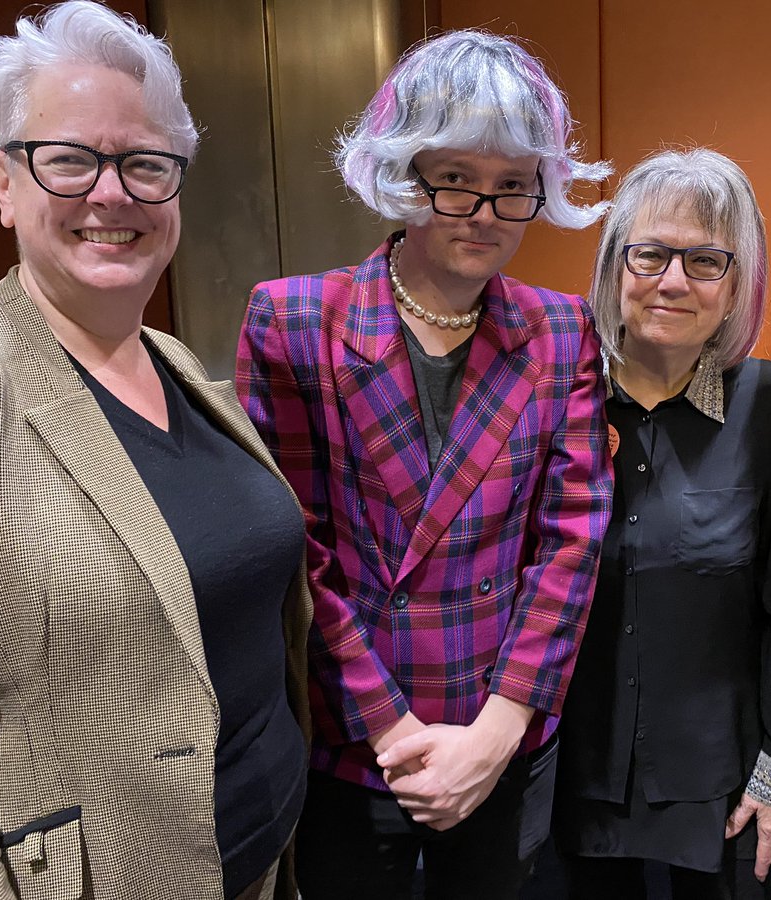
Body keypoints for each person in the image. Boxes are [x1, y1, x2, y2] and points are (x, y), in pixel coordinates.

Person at [0, 3, 311, 898]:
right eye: (69, 159)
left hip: (264, 858)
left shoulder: (177, 363)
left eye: (146, 163)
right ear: (2, 179)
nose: (113, 193)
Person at [235, 29, 614, 900]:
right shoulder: (295, 321)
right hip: (355, 731)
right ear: (404, 173)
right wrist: (391, 728)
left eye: (512, 186)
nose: (484, 212)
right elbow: (299, 548)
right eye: (456, 180)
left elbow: (571, 542)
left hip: (501, 729)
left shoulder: (561, 331)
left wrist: (497, 730)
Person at [550, 149, 771, 899]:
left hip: (722, 780)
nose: (672, 281)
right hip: (577, 766)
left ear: (737, 286)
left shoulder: (768, 402)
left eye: (705, 260)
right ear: (614, 265)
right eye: (651, 254)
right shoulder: (557, 396)